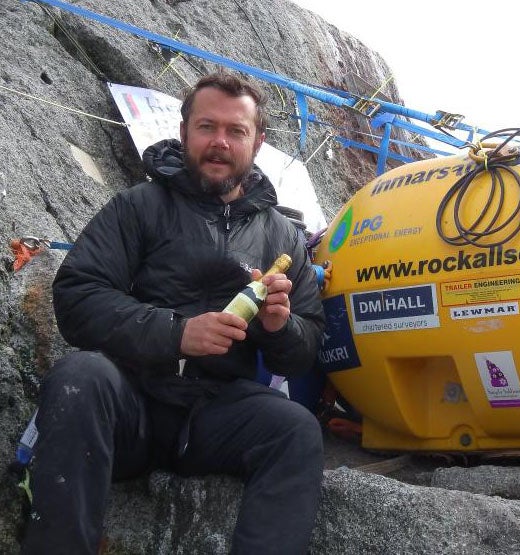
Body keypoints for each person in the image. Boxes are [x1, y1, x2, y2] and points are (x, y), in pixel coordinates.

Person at [21, 71, 326, 554]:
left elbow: (305, 353)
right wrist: (175, 333)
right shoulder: (137, 206)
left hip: (217, 413)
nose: (220, 142)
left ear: (258, 141)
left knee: (296, 430)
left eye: (236, 131)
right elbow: (77, 298)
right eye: (207, 127)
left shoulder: (283, 237)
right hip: (131, 400)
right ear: (184, 132)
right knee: (80, 375)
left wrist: (280, 327)